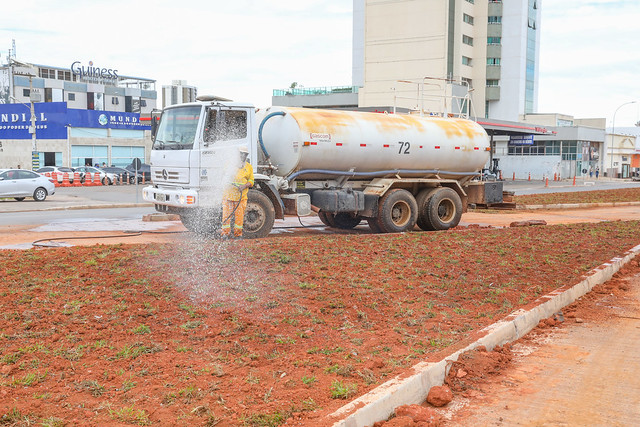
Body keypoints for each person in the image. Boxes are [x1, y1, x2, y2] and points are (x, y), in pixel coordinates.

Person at [221, 147, 254, 238]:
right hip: (228, 196)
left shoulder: (248, 167)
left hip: (241, 197)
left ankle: (238, 234)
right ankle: (225, 234)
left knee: (239, 218)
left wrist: (244, 186)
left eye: (245, 154)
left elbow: (251, 181)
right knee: (226, 216)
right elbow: (224, 176)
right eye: (241, 153)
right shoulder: (229, 164)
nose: (243, 155)